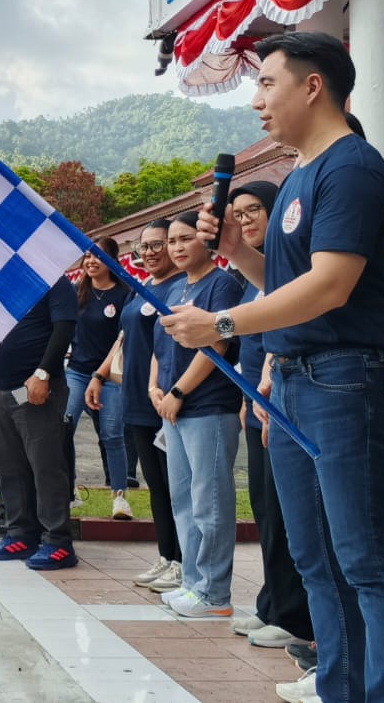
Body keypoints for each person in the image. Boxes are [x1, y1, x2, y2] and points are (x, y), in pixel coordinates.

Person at [164, 31, 384, 703]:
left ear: (312, 86)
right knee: (315, 558)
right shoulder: (299, 174)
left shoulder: (351, 168)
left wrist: (220, 323)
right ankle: (340, 687)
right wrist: (235, 254)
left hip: (347, 379)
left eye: (266, 83)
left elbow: (330, 286)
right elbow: (282, 285)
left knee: (365, 557)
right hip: (299, 380)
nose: (256, 101)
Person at [222, 180, 313, 651]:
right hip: (258, 406)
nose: (245, 220)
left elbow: (286, 327)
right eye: (236, 214)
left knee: (288, 514)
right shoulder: (254, 274)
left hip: (286, 403)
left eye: (254, 210)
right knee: (266, 510)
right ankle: (273, 602)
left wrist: (216, 325)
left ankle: (295, 615)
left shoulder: (291, 264)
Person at [146, 211, 241, 619]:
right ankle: (192, 582)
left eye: (186, 238)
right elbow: (160, 345)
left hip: (207, 407)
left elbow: (217, 344)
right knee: (182, 500)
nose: (177, 247)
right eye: (172, 241)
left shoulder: (223, 284)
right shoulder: (176, 288)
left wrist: (179, 392)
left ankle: (214, 593)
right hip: (172, 409)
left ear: (206, 240)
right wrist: (155, 387)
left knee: (209, 501)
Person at [0, 276, 78, 570]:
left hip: (34, 387)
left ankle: (58, 541)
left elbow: (64, 328)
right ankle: (20, 533)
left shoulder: (54, 281)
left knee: (45, 464)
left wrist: (43, 373)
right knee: (8, 465)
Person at [98, 219, 185, 591]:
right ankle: (166, 556)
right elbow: (124, 336)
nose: (149, 253)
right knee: (157, 486)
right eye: (143, 247)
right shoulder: (144, 287)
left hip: (164, 401)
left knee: (177, 487)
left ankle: (183, 560)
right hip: (135, 398)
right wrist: (99, 374)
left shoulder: (181, 288)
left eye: (157, 244)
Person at [65, 237, 133, 518]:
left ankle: (119, 497)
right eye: (88, 256)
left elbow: (122, 340)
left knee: (112, 435)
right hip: (77, 372)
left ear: (113, 261)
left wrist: (100, 375)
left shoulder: (124, 294)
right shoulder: (76, 291)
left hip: (111, 376)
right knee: (63, 426)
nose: (91, 261)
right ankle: (68, 489)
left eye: (98, 256)